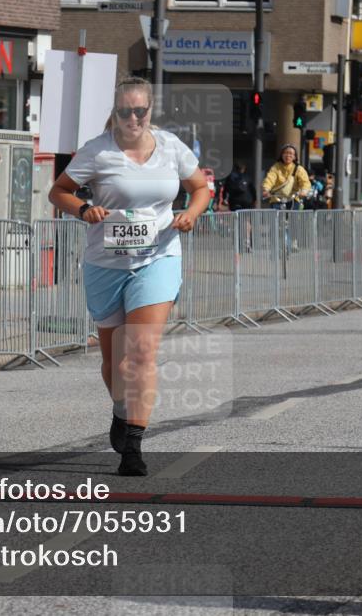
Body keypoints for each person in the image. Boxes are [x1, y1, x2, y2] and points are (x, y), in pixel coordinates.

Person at [47, 76, 209, 477]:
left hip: (158, 255)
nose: (133, 118)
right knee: (114, 362)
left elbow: (200, 187)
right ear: (115, 112)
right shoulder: (97, 151)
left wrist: (190, 213)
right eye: (125, 111)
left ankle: (133, 447)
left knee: (140, 352)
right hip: (106, 262)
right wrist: (84, 209)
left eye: (141, 111)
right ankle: (122, 411)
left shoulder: (171, 147)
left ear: (151, 110)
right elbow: (59, 191)